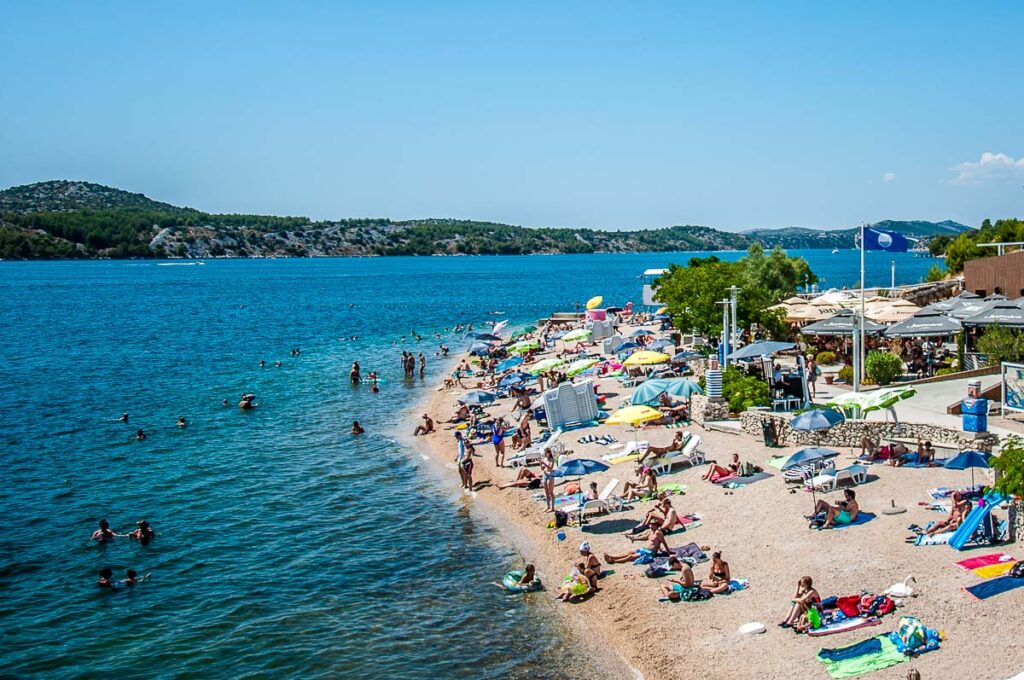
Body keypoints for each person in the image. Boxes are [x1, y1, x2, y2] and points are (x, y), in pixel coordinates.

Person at [604, 521, 669, 564]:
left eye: (652, 525)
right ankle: (612, 556)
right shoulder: (651, 532)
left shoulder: (659, 533)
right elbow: (645, 538)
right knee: (629, 553)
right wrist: (634, 538)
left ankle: (613, 561)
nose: (651, 526)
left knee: (630, 557)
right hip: (644, 549)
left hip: (650, 553)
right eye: (650, 525)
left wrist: (668, 551)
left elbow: (663, 542)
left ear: (656, 525)